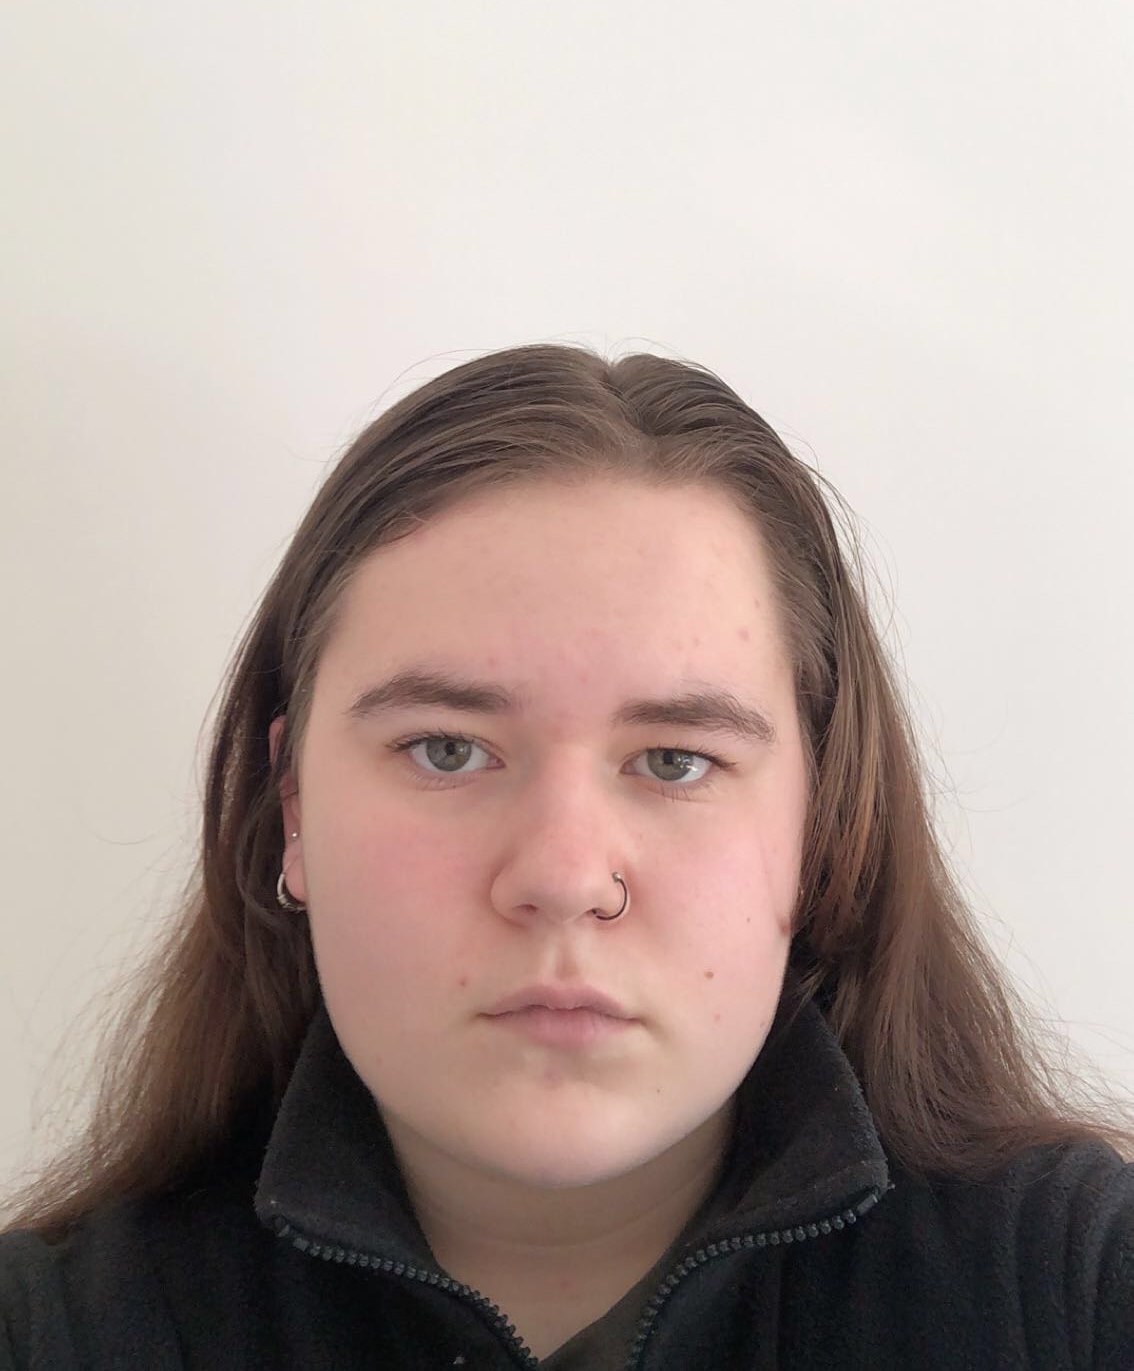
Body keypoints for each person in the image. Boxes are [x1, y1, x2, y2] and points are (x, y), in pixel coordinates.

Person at [1, 342, 1131, 1370]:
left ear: (821, 822)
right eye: (447, 749)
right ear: (293, 807)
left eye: (675, 760)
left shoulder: (1080, 1293)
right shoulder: (50, 1332)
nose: (563, 876)